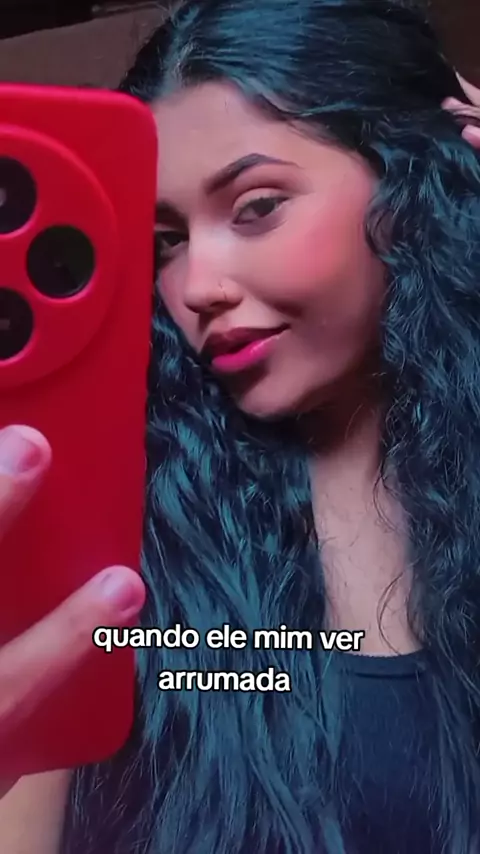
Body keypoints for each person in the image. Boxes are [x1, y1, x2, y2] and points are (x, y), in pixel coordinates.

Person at [1, 1, 480, 852]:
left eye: (256, 207)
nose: (196, 288)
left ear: (409, 187)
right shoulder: (109, 544)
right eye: (165, 242)